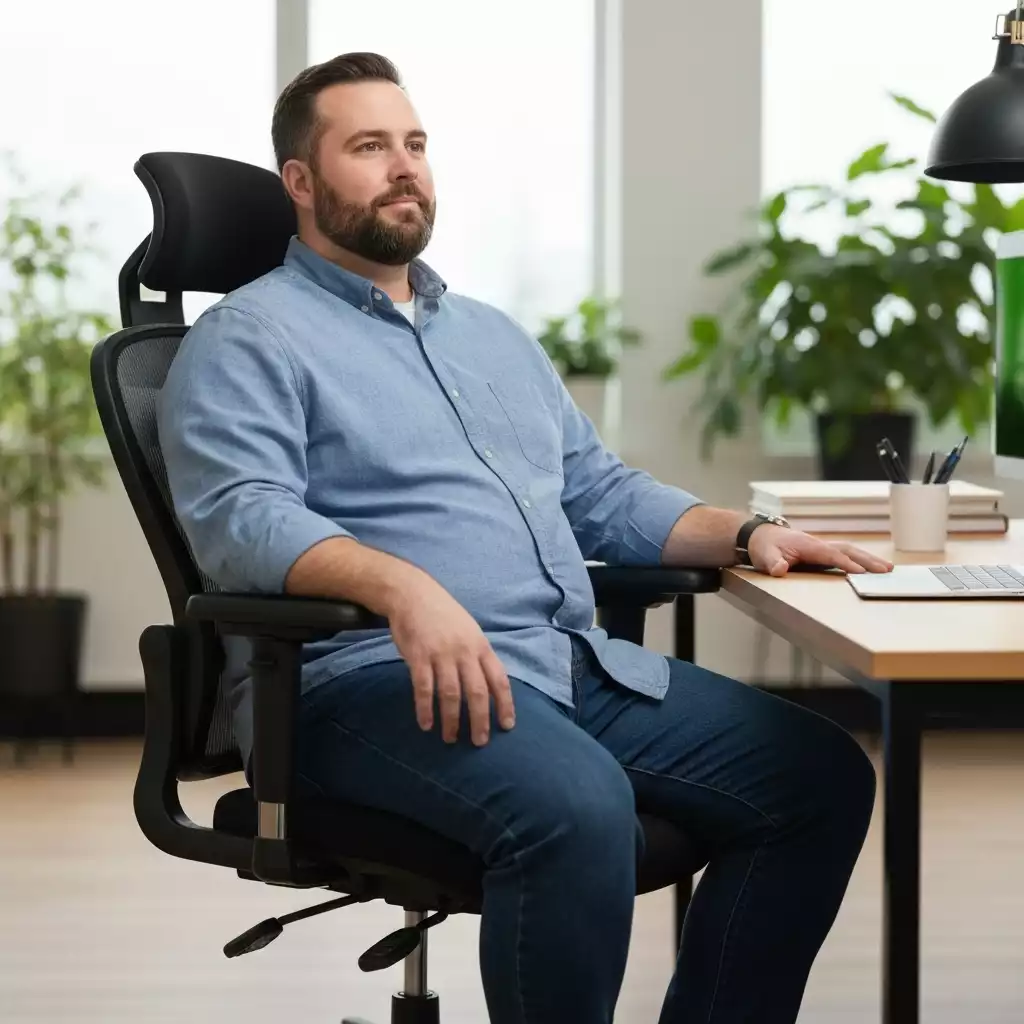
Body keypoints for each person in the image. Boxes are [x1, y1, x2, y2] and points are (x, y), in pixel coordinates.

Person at [157, 52, 893, 1024]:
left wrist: (750, 531)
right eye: (369, 146)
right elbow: (240, 516)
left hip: (554, 667)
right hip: (365, 684)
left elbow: (595, 490)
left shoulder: (490, 335)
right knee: (579, 811)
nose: (404, 167)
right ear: (300, 181)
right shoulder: (248, 337)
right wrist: (403, 588)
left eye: (414, 143)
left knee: (817, 775)